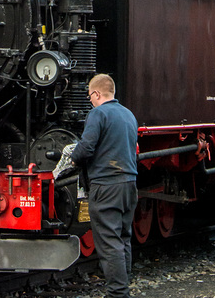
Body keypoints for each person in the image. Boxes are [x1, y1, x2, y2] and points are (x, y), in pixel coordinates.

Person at [69, 73, 138, 298]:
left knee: (109, 243)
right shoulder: (128, 115)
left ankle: (118, 293)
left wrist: (73, 159)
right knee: (123, 238)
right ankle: (124, 284)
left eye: (90, 96)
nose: (90, 100)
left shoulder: (98, 114)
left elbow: (87, 147)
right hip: (129, 184)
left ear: (97, 93)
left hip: (106, 186)